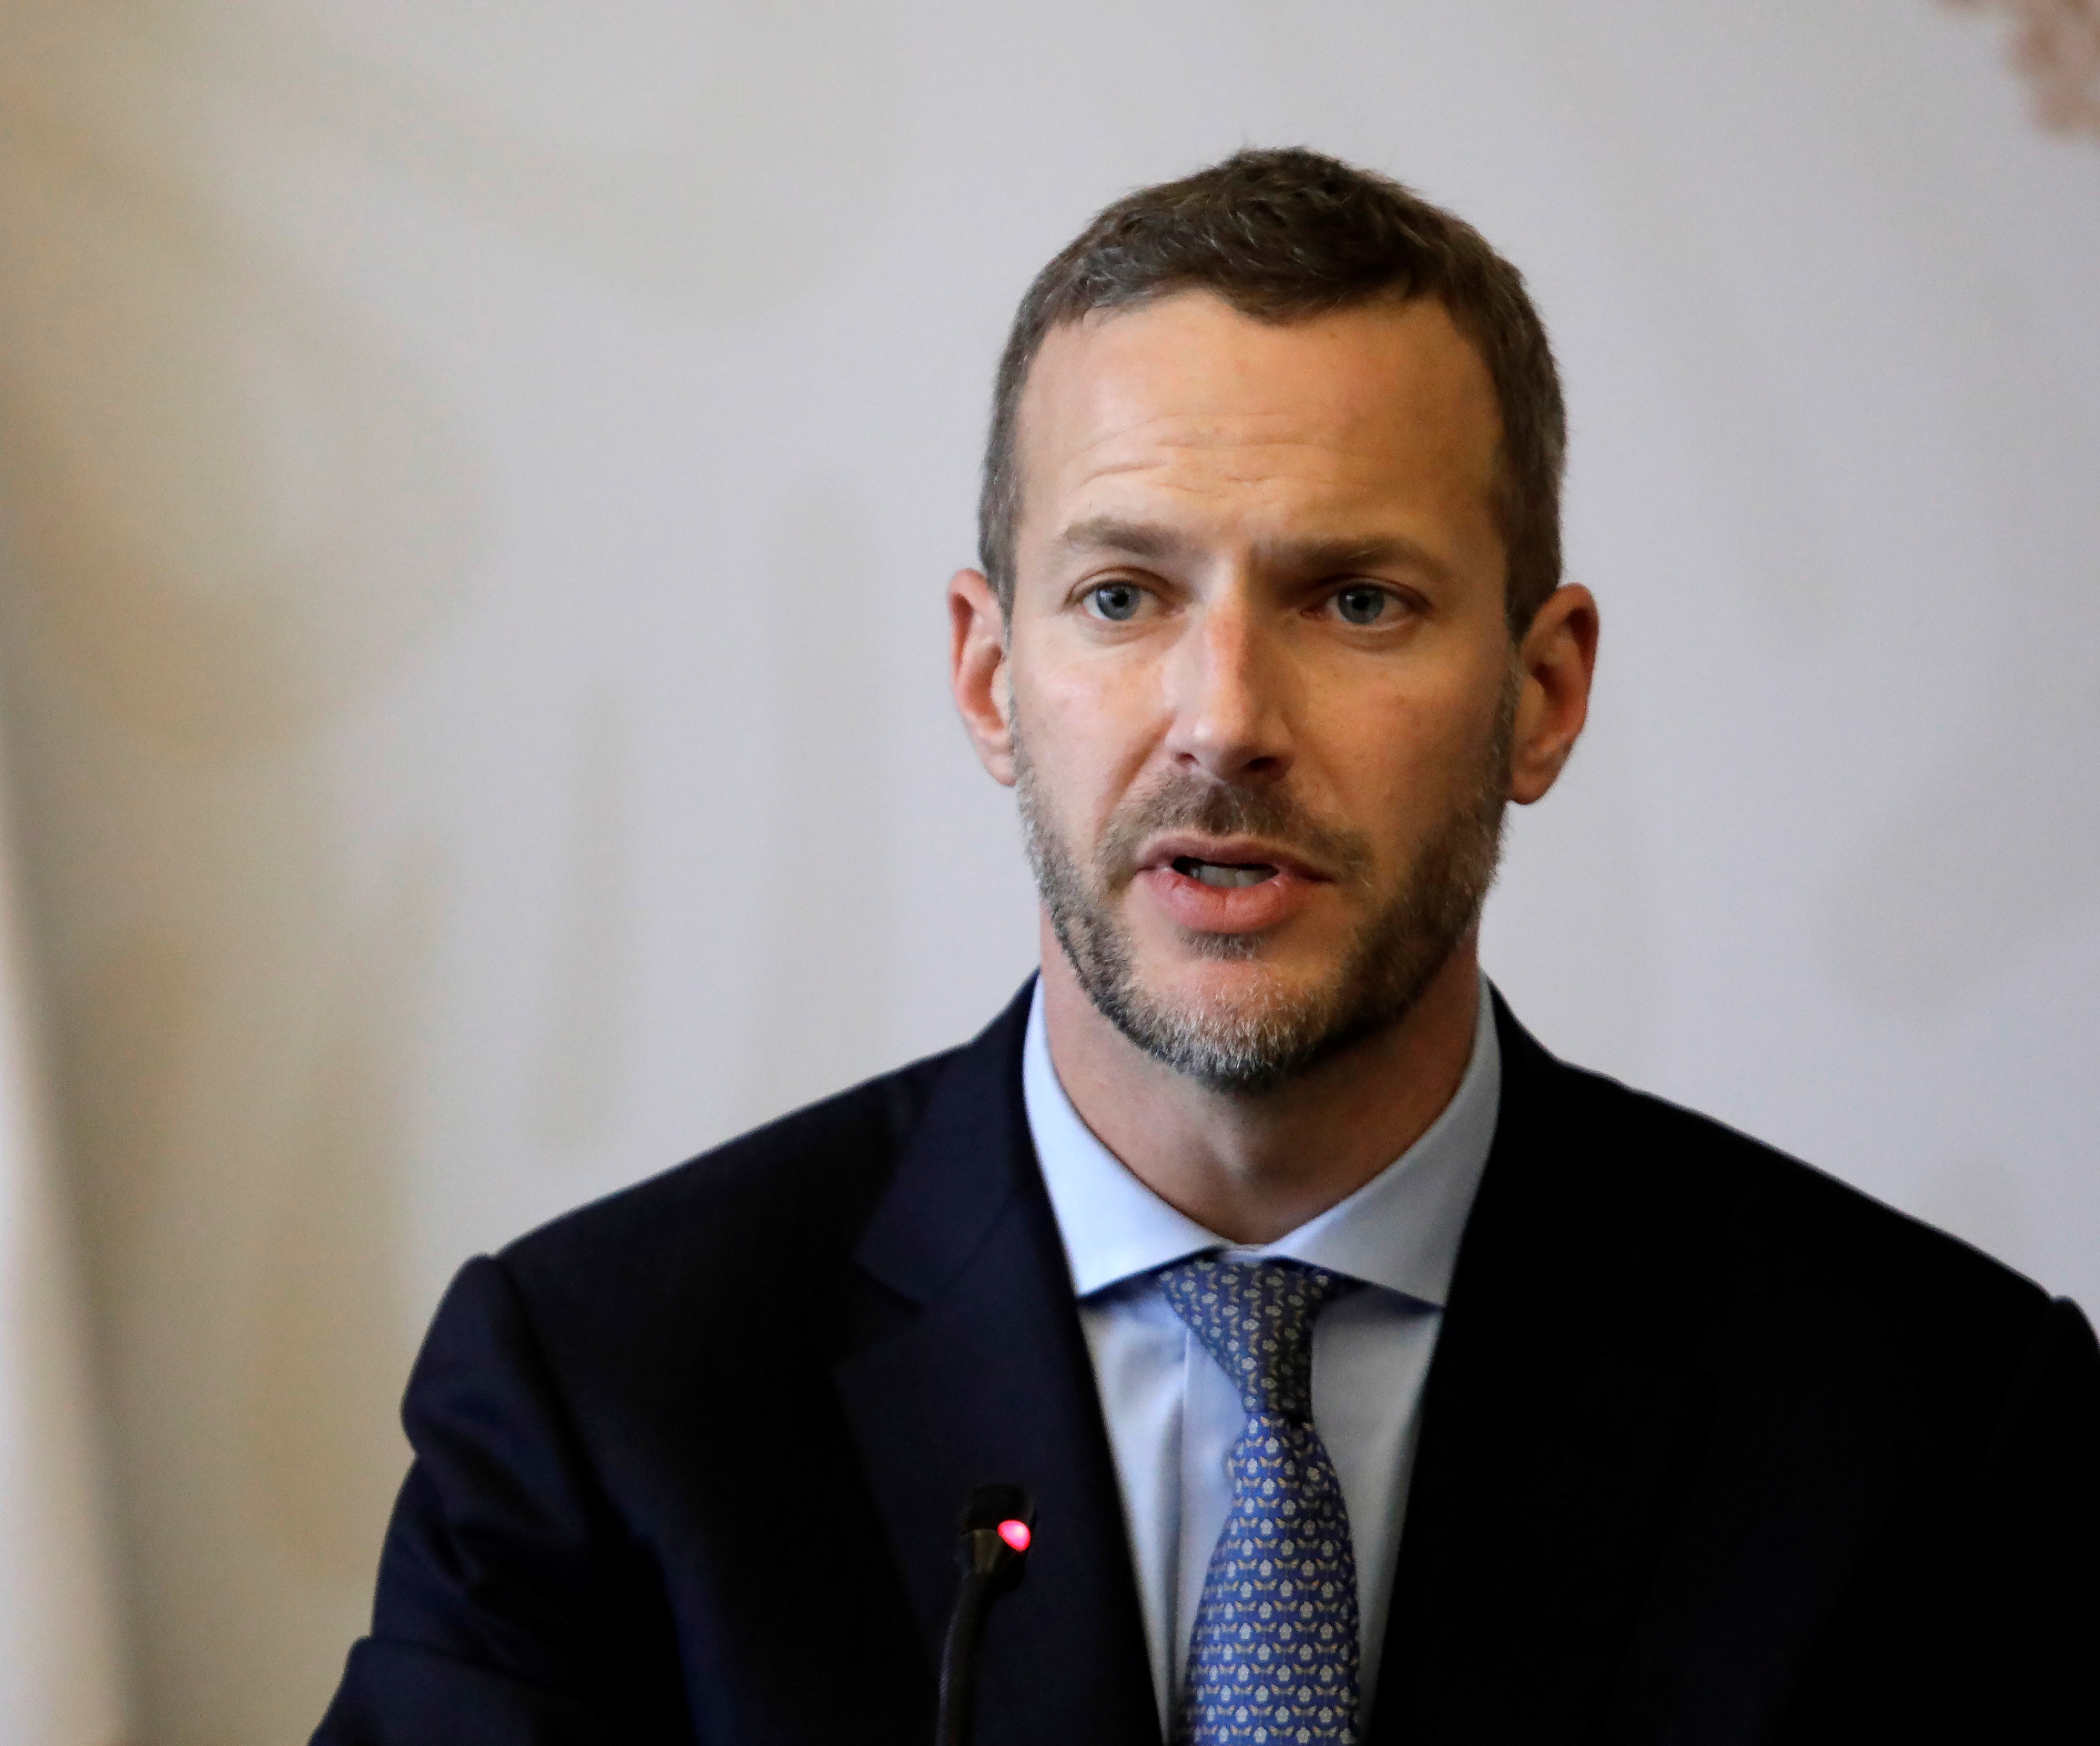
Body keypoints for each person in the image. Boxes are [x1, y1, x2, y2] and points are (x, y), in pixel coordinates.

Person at [309, 149, 2098, 1745]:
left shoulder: (1927, 1422)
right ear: (990, 678)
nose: (1224, 718)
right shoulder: (605, 1394)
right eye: (1121, 597)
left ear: (1542, 696)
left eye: (1357, 600)